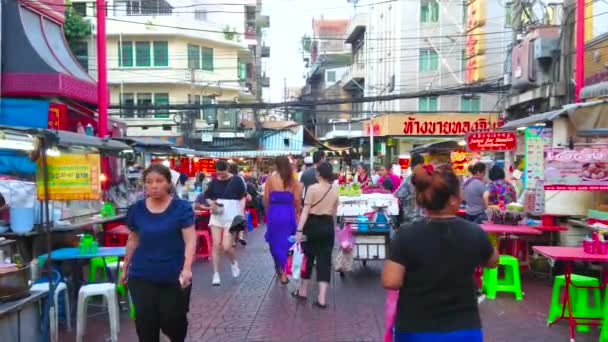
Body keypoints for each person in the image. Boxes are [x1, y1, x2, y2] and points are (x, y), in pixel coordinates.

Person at [381, 164, 499, 342]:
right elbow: (493, 261)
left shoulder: (405, 234)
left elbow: (391, 281)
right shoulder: (474, 232)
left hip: (416, 328)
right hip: (464, 329)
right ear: (453, 199)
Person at [120, 163, 196, 342]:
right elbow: (133, 239)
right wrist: (126, 265)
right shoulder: (137, 209)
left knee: (173, 322)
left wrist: (187, 268)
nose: (154, 185)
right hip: (142, 274)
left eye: (159, 181)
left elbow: (190, 240)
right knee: (145, 324)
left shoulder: (181, 208)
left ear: (169, 183)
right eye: (149, 182)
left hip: (172, 275)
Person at [294, 162, 339, 309]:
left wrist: (299, 230)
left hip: (312, 225)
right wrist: (332, 228)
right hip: (327, 225)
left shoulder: (312, 189)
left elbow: (306, 211)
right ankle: (322, 299)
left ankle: (303, 291)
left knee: (308, 258)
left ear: (318, 174)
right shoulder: (335, 188)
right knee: (324, 261)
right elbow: (334, 212)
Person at [205, 160, 247, 286]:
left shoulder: (237, 180)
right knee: (216, 244)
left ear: (228, 169)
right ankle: (216, 274)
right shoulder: (213, 182)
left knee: (226, 246)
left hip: (232, 214)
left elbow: (243, 196)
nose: (220, 176)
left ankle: (234, 262)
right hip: (217, 214)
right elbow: (207, 196)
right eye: (218, 173)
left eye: (223, 173)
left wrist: (241, 213)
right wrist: (211, 203)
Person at [264, 156, 302, 284]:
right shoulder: (293, 180)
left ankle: (279, 268)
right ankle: (284, 272)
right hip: (288, 213)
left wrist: (267, 212)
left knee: (274, 242)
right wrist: (297, 213)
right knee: (286, 243)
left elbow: (266, 198)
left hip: (274, 213)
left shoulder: (270, 179)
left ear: (276, 165)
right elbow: (297, 199)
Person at [394, 153, 425, 227]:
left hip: (412, 216)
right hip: (426, 217)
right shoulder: (429, 176)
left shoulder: (409, 178)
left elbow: (398, 194)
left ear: (411, 164)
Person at [229, 163, 249, 246]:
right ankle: (240, 237)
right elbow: (244, 191)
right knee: (241, 219)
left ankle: (233, 241)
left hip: (230, 202)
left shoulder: (228, 179)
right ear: (237, 170)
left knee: (233, 221)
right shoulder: (240, 179)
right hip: (239, 201)